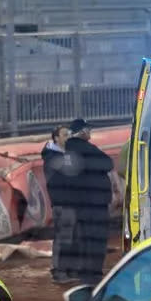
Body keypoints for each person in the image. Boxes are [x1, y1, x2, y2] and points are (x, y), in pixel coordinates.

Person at [60, 119, 114, 285]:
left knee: (84, 238)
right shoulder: (85, 148)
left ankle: (84, 272)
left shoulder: (69, 152)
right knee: (96, 239)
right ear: (82, 132)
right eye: (88, 130)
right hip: (94, 203)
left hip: (81, 204)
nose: (90, 133)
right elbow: (108, 163)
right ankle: (93, 275)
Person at [41, 125, 74, 284]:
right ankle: (59, 271)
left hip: (69, 202)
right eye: (65, 135)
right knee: (62, 237)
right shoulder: (52, 158)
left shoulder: (63, 155)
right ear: (56, 138)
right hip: (62, 203)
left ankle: (65, 269)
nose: (68, 137)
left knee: (68, 237)